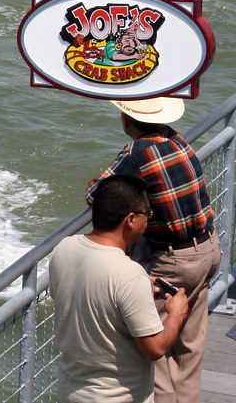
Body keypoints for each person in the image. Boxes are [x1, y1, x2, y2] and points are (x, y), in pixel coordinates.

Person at [86, 97, 221, 403]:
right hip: (207, 249)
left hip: (173, 261)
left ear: (126, 121)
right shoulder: (177, 139)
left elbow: (97, 194)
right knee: (189, 350)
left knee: (153, 351)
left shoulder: (138, 152)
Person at [50, 175, 189, 403]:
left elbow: (94, 291)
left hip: (70, 393)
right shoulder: (129, 275)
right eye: (148, 214)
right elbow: (154, 348)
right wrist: (177, 313)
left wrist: (141, 287)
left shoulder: (64, 248)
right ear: (131, 219)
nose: (148, 221)